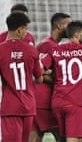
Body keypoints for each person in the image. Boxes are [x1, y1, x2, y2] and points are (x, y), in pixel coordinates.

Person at [0, 12, 43, 142]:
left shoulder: (0, 50)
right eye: (25, 29)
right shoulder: (32, 50)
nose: (26, 33)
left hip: (10, 107)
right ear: (19, 30)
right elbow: (40, 79)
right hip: (28, 106)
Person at [29, 12, 71, 142]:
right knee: (64, 138)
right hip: (44, 102)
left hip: (41, 101)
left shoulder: (52, 45)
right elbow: (38, 72)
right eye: (68, 24)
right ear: (59, 26)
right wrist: (60, 81)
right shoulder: (48, 45)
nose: (71, 28)